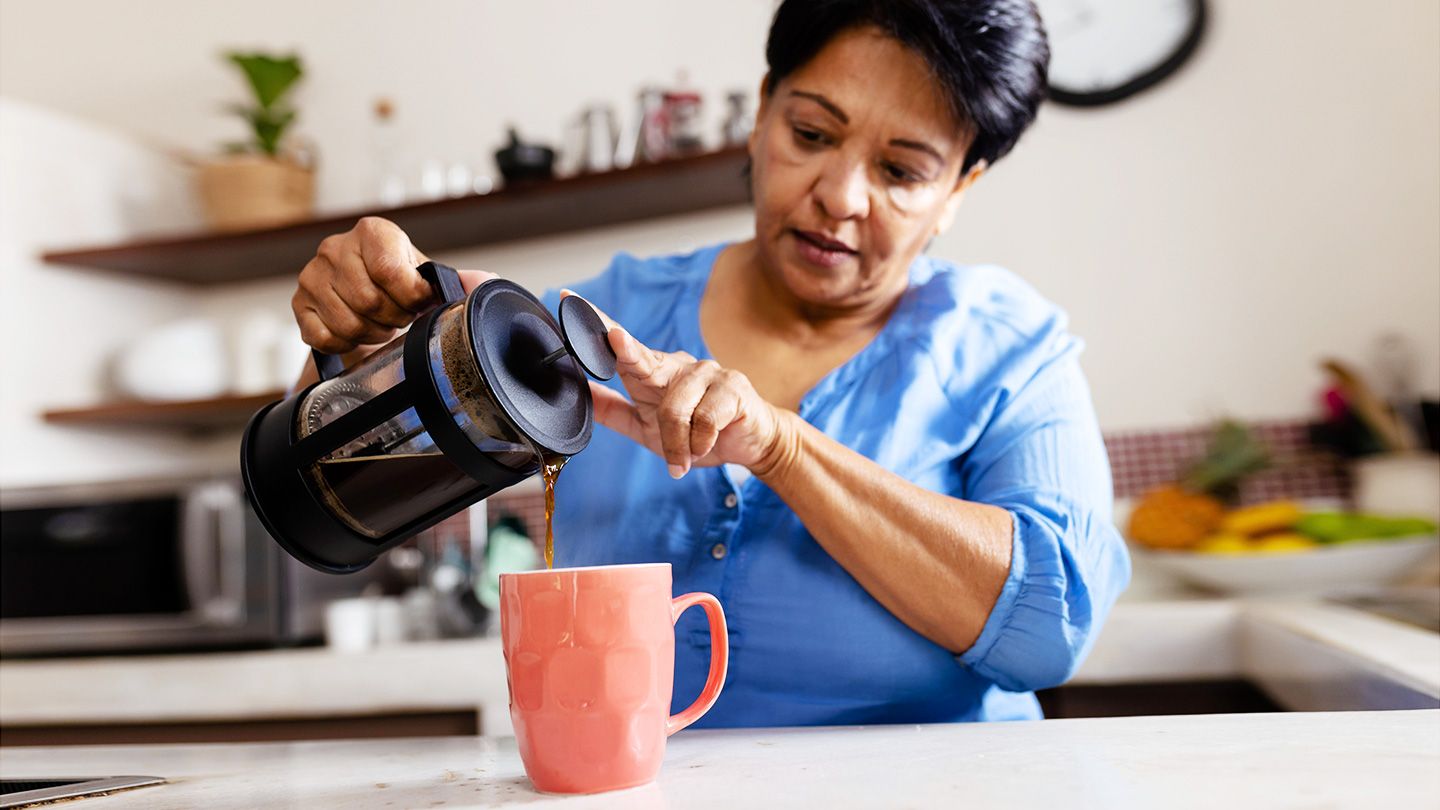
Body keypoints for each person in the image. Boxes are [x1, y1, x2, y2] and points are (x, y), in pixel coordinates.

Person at [290, 0, 1130, 726]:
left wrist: (782, 449)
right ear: (762, 114)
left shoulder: (1012, 349)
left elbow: (1050, 634)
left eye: (902, 171)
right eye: (810, 133)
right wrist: (356, 357)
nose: (840, 195)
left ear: (958, 191)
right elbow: (324, 510)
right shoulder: (602, 322)